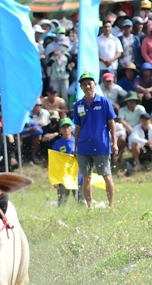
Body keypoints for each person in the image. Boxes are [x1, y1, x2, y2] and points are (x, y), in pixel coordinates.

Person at [72, 71, 118, 209]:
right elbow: (78, 127)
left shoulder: (104, 102)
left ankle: (111, 206)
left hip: (101, 146)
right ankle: (90, 206)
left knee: (106, 175)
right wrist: (75, 146)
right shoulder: (78, 105)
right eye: (84, 84)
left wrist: (114, 143)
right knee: (86, 177)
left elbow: (111, 124)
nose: (87, 86)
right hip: (83, 147)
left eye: (89, 83)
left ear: (95, 85)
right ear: (81, 87)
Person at [48, 118, 77, 206]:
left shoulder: (78, 142)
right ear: (60, 129)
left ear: (72, 128)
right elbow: (54, 162)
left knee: (81, 200)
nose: (66, 129)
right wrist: (55, 179)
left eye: (68, 126)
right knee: (62, 202)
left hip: (77, 176)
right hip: (63, 176)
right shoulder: (57, 144)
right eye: (63, 127)